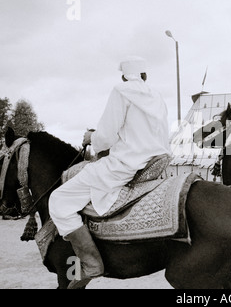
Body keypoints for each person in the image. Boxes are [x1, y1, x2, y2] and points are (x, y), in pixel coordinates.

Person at [49, 56, 170, 289]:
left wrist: (90, 138)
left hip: (124, 165)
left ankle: (91, 262)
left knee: (59, 199)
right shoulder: (156, 95)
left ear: (124, 76)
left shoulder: (121, 90)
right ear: (145, 76)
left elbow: (105, 137)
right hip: (154, 163)